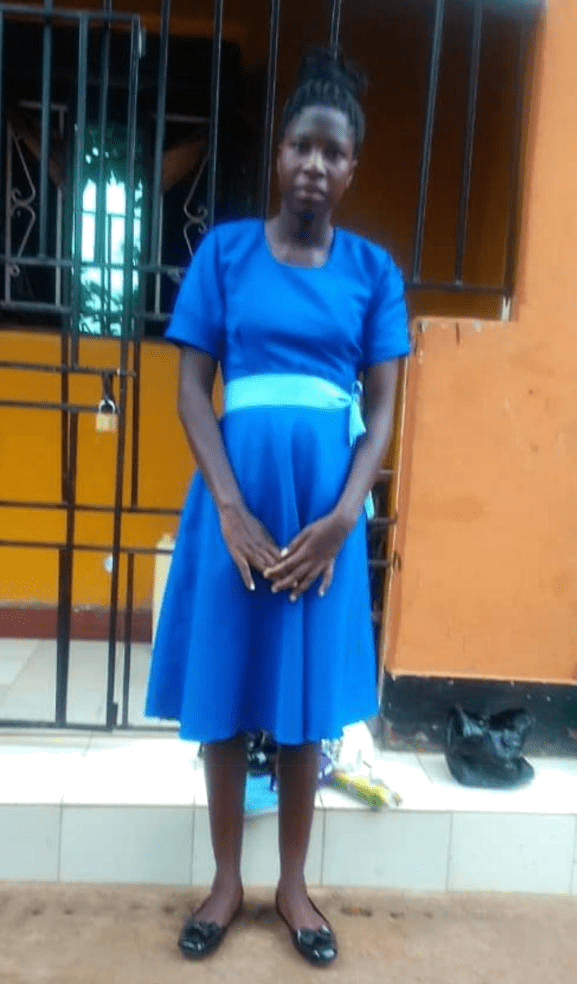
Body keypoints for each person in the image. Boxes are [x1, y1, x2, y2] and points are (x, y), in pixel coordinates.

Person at [144, 46, 412, 966]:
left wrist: (344, 517)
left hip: (320, 515)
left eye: (332, 153)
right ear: (279, 153)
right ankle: (226, 881)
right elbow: (190, 389)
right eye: (300, 144)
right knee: (224, 694)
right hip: (234, 508)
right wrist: (226, 505)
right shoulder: (223, 253)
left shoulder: (373, 272)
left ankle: (292, 885)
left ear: (349, 168)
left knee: (300, 706)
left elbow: (379, 411)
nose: (313, 163)